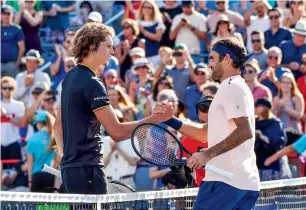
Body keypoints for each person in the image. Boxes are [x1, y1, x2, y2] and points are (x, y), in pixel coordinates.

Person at [53, 22, 173, 195]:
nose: (112, 51)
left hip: (71, 170)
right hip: (88, 171)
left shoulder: (69, 77)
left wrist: (67, 159)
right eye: (108, 46)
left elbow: (57, 126)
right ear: (93, 47)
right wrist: (154, 119)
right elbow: (116, 132)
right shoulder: (93, 83)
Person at [155, 37, 259, 209]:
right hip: (241, 183)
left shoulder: (231, 86)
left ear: (226, 59)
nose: (209, 64)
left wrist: (207, 154)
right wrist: (171, 120)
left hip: (225, 183)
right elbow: (205, 132)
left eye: (212, 58)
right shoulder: (236, 86)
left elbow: (245, 131)